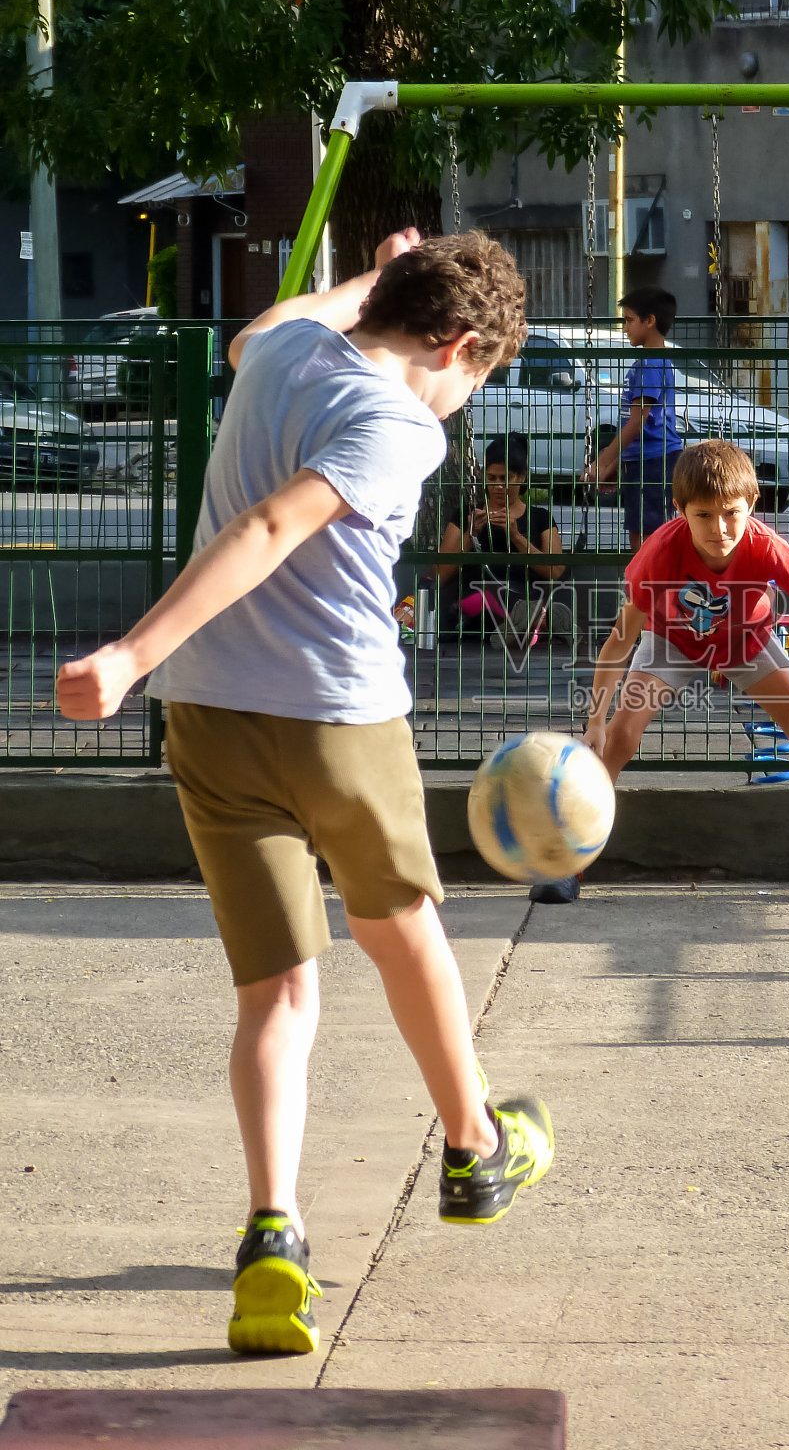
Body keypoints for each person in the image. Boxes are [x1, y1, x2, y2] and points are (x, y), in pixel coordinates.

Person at [55, 229, 554, 1357]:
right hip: (336, 717)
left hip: (214, 718)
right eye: (480, 377)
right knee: (403, 928)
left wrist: (368, 280)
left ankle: (271, 1233)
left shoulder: (283, 357)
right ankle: (475, 1146)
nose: (468, 401)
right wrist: (129, 654)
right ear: (462, 347)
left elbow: (257, 332)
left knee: (277, 995)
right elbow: (271, 526)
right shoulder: (400, 425)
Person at [531, 439, 789, 906]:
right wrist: (595, 723)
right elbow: (618, 642)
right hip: (672, 641)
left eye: (731, 512)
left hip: (744, 641)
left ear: (752, 503)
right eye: (704, 516)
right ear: (680, 511)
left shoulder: (765, 547)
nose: (719, 528)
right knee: (620, 736)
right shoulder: (659, 554)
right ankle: (568, 860)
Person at [435, 432, 569, 650]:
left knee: (518, 601)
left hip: (522, 596)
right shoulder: (467, 514)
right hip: (475, 607)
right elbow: (440, 573)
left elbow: (555, 571)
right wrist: (471, 536)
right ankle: (535, 623)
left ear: (522, 477)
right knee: (487, 594)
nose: (498, 486)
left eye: (506, 479)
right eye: (492, 478)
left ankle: (527, 622)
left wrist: (516, 537)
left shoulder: (540, 517)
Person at [582, 285, 683, 553]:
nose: (625, 327)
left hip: (655, 461)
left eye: (628, 320)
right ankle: (646, 590)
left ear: (649, 321)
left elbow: (637, 422)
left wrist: (602, 461)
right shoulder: (651, 361)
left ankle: (646, 592)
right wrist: (618, 463)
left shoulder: (651, 364)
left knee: (646, 541)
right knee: (643, 534)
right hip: (648, 459)